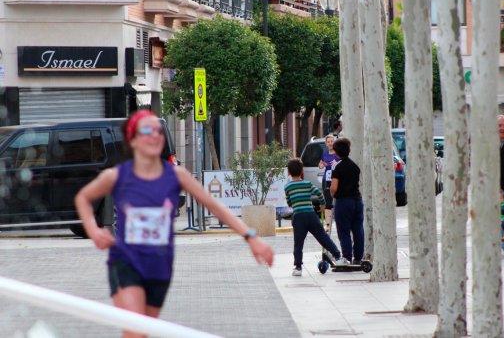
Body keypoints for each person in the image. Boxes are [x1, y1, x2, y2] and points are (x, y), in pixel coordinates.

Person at [75, 110, 274, 338]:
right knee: (135, 331)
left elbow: (215, 206)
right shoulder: (117, 176)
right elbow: (83, 198)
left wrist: (251, 237)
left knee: (144, 331)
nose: (155, 136)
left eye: (158, 131)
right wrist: (93, 230)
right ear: (133, 140)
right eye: (147, 130)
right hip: (125, 263)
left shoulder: (176, 175)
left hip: (160, 267)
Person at [284, 158, 347, 276]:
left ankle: (298, 267)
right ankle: (338, 257)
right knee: (323, 237)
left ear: (289, 172)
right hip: (311, 215)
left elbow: (289, 203)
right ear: (302, 171)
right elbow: (319, 193)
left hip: (298, 217)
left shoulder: (287, 187)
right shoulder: (307, 184)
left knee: (298, 243)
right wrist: (323, 205)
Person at [330, 137, 364, 265]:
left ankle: (347, 257)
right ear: (349, 150)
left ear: (336, 152)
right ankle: (358, 258)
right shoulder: (355, 166)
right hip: (357, 201)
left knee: (344, 231)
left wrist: (332, 195)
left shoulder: (337, 167)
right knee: (358, 230)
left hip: (344, 202)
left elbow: (334, 187)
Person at [318, 134, 340, 231]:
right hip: (326, 181)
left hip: (338, 180)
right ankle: (328, 226)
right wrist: (321, 165)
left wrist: (336, 163)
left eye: (332, 141)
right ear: (326, 144)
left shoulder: (339, 154)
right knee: (328, 204)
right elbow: (320, 165)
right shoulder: (325, 154)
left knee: (339, 202)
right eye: (328, 142)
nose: (330, 143)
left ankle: (340, 225)